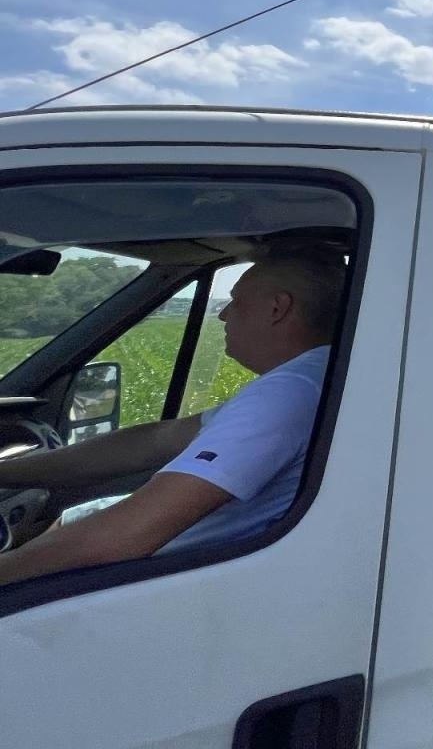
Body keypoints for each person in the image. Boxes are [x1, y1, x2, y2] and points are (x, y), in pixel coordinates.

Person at [0, 246, 346, 587]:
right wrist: (9, 473)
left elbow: (125, 536)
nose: (224, 314)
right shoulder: (318, 377)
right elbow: (154, 441)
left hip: (150, 586)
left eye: (237, 301)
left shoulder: (288, 391)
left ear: (277, 308)